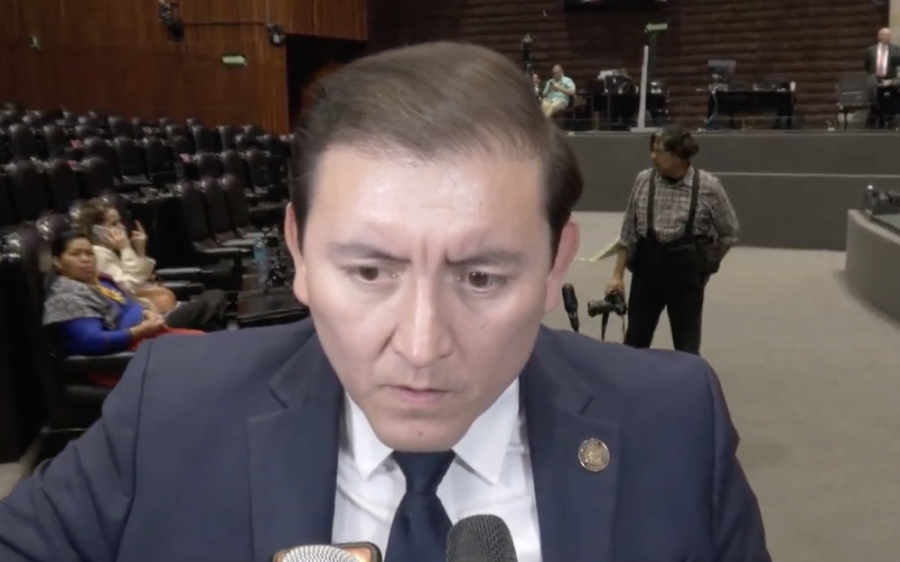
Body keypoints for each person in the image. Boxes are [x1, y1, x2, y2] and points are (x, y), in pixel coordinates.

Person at [0, 43, 768, 562]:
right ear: (300, 254)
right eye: (370, 271)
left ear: (552, 268)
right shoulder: (169, 407)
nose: (421, 346)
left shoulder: (676, 423)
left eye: (481, 278)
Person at [606, 125, 739, 355]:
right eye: (652, 150)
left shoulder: (708, 186)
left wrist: (706, 266)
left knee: (687, 345)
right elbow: (628, 231)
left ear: (678, 155)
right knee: (635, 341)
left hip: (685, 275)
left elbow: (729, 232)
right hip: (647, 271)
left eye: (659, 151)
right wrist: (617, 276)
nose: (653, 156)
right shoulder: (643, 180)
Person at [42, 230, 203, 386]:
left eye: (89, 253)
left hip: (147, 342)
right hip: (120, 362)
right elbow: (95, 342)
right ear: (57, 261)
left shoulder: (98, 281)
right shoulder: (66, 297)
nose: (85, 259)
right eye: (76, 254)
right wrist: (141, 330)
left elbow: (130, 304)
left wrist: (147, 313)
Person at [75, 198, 228, 332]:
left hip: (153, 313)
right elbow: (129, 287)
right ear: (97, 231)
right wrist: (125, 248)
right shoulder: (98, 254)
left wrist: (140, 250)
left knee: (212, 304)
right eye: (114, 223)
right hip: (145, 323)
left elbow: (140, 277)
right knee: (209, 304)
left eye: (120, 221)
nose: (121, 227)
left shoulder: (108, 252)